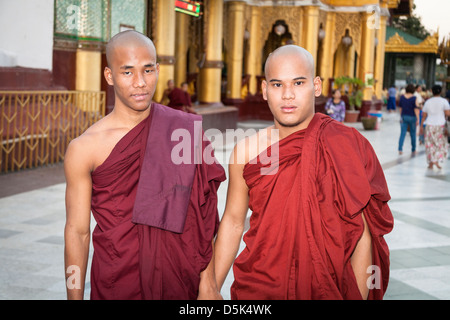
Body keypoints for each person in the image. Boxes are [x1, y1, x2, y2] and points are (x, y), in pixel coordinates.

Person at [214, 45, 393, 300]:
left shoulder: (344, 144)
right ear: (264, 90)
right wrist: (211, 286)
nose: (288, 95)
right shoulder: (246, 151)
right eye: (277, 85)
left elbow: (361, 234)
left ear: (316, 86)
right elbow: (232, 221)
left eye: (298, 83)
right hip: (260, 285)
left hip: (328, 287)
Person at [64, 30, 226, 300]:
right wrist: (74, 297)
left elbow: (203, 213)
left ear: (158, 70)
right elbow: (77, 233)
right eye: (127, 72)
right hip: (117, 281)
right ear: (109, 76)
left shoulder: (182, 131)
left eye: (147, 70)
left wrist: (208, 283)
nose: (140, 82)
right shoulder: (84, 148)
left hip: (179, 280)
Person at [420, 85, 450, 169]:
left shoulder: (428, 102)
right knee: (439, 144)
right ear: (440, 92)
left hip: (429, 125)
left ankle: (431, 162)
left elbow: (424, 115)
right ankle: (436, 161)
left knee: (430, 144)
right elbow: (448, 113)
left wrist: (421, 127)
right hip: (440, 126)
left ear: (432, 92)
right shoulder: (444, 101)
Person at [398, 84, 420, 155]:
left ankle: (400, 149)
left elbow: (400, 108)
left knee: (402, 133)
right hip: (412, 117)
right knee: (413, 133)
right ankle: (413, 149)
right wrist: (418, 119)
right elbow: (416, 109)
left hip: (404, 116)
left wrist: (401, 116)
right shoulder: (414, 98)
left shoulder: (402, 97)